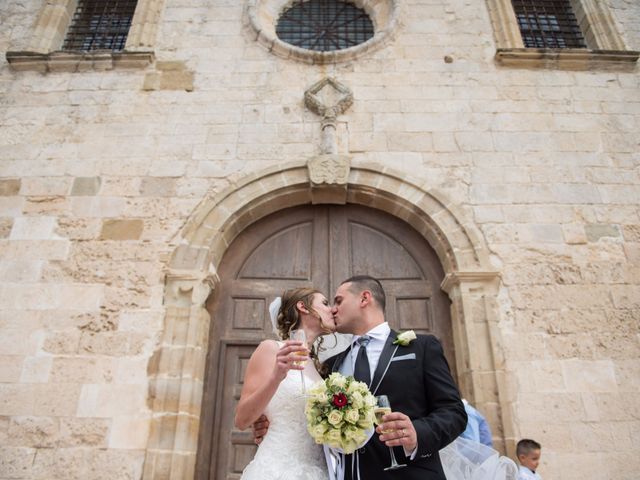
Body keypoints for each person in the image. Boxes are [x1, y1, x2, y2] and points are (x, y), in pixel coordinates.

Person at [256, 275, 467, 480]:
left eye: (338, 301)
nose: (333, 309)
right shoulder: (331, 365)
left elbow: (454, 412)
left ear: (364, 299)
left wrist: (417, 434)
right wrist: (269, 422)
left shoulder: (421, 348)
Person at [235, 287, 336, 480]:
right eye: (324, 303)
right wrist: (276, 376)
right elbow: (241, 420)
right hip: (277, 469)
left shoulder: (318, 367)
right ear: (303, 307)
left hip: (318, 471)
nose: (331, 309)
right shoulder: (270, 349)